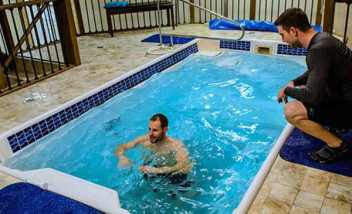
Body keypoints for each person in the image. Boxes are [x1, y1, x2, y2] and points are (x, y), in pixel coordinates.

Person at [275, 8, 352, 163]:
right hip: (344, 98)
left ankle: (336, 144)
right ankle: (339, 126)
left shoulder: (317, 50)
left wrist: (287, 90)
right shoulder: (323, 39)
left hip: (348, 108)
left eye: (283, 35)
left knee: (291, 111)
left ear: (293, 31)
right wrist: (295, 82)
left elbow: (313, 97)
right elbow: (314, 72)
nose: (283, 40)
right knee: (305, 87)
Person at [114, 113, 193, 183]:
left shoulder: (176, 145)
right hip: (153, 170)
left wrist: (157, 170)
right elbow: (121, 147)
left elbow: (184, 165)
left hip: (174, 175)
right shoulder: (144, 140)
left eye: (155, 130)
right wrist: (122, 156)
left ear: (164, 130)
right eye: (149, 129)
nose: (150, 133)